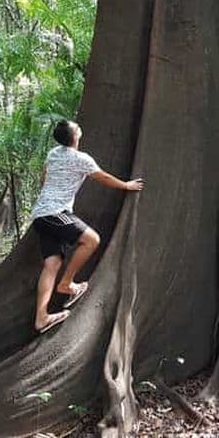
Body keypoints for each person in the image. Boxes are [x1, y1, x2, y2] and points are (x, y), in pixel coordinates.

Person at [31, 119, 144, 333]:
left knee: (51, 264)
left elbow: (43, 178)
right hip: (56, 213)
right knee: (92, 240)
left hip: (40, 215)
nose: (79, 127)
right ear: (75, 136)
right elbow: (103, 177)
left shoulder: (54, 153)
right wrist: (126, 185)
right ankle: (67, 284)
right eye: (76, 127)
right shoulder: (80, 159)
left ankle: (41, 318)